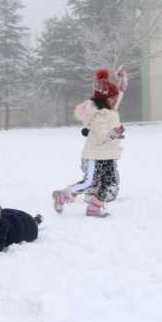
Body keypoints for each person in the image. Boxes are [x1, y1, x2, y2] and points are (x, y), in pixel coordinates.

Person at [52, 69, 126, 217]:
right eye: (113, 98)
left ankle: (94, 208)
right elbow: (100, 136)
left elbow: (121, 91)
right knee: (89, 182)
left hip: (108, 154)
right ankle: (62, 195)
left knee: (107, 181)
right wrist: (113, 133)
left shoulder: (111, 110)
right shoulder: (98, 115)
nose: (116, 100)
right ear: (105, 99)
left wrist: (123, 78)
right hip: (95, 154)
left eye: (115, 97)